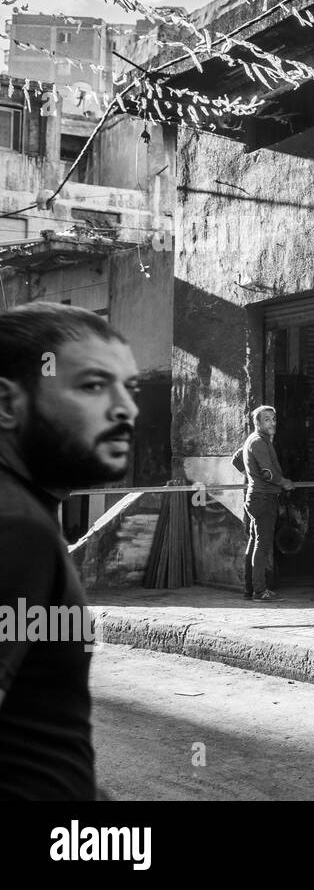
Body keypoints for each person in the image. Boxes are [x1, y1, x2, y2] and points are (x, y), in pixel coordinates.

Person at [0, 303, 140, 799]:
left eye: (130, 387)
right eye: (93, 386)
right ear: (7, 403)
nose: (126, 409)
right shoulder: (16, 528)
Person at [240, 405, 294, 601]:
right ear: (258, 423)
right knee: (261, 546)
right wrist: (284, 482)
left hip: (256, 497)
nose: (272, 423)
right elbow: (268, 473)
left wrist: (251, 474)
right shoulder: (259, 442)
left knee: (255, 543)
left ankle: (250, 589)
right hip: (263, 499)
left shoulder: (254, 441)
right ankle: (260, 591)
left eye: (273, 419)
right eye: (267, 419)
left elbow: (237, 461)